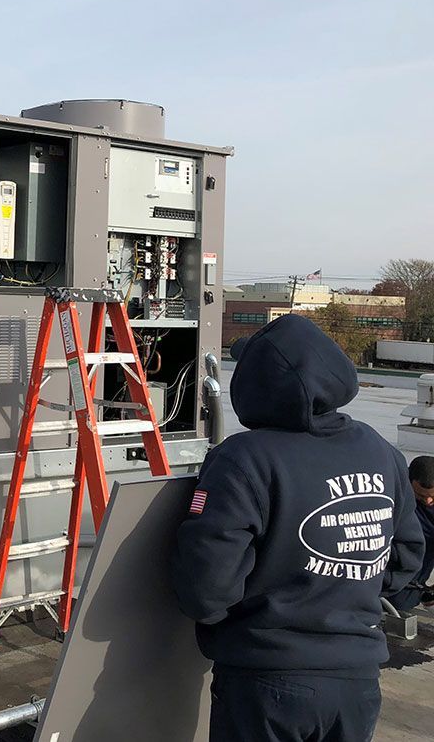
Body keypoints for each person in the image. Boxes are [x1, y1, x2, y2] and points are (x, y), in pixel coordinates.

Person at [170, 315, 425, 742]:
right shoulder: (381, 452)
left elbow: (207, 585)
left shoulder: (245, 458)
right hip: (357, 682)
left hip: (266, 682)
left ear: (253, 386)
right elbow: (404, 561)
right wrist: (345, 593)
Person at [387, 455, 434, 611]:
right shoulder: (395, 489)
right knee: (397, 605)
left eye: (433, 496)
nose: (428, 501)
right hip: (398, 561)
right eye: (421, 495)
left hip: (425, 559)